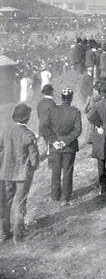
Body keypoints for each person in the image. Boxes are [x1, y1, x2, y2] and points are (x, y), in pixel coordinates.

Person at [0, 103, 40, 243]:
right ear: (26, 118)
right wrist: (35, 166)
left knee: (6, 203)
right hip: (22, 174)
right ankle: (18, 235)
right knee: (20, 203)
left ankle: (4, 233)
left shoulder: (6, 131)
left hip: (5, 173)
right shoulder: (28, 134)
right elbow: (34, 158)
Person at [46, 89, 82, 205]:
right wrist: (65, 142)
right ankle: (65, 197)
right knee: (68, 170)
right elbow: (78, 130)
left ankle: (55, 195)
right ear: (71, 98)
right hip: (69, 147)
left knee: (56, 170)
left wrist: (55, 141)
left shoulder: (53, 110)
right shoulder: (75, 112)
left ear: (62, 98)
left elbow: (46, 128)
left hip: (55, 147)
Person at [36, 84, 56, 158]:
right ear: (51, 92)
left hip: (41, 126)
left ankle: (48, 153)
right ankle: (50, 159)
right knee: (52, 143)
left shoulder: (40, 103)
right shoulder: (52, 103)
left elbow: (39, 115)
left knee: (47, 142)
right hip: (49, 126)